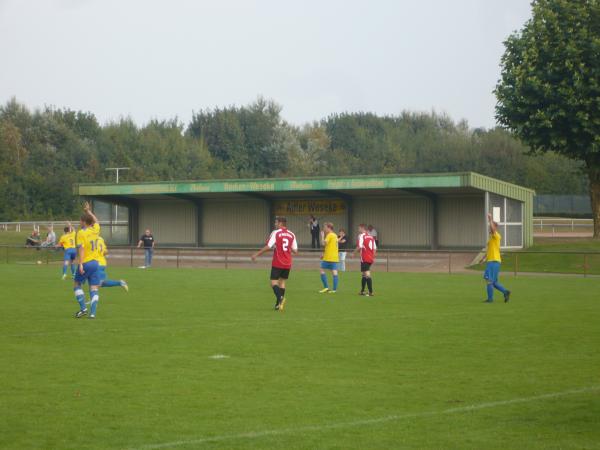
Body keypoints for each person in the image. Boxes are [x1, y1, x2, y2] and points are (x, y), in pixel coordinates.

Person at [251, 216, 298, 311]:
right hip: (288, 262)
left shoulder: (276, 233)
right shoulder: (292, 234)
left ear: (281, 223)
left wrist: (256, 254)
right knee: (282, 282)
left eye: (276, 222)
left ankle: (281, 298)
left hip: (278, 262)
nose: (275, 224)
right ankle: (278, 305)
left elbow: (268, 246)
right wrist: (289, 247)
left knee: (273, 283)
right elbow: (296, 251)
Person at [73, 203, 102, 319]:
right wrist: (89, 211)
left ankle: (83, 308)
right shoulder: (95, 230)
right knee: (94, 288)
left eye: (80, 221)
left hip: (86, 263)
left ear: (84, 222)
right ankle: (93, 313)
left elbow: (81, 248)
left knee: (77, 285)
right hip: (95, 263)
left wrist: (80, 264)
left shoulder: (81, 233)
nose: (80, 222)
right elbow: (97, 221)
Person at [483, 213, 511, 303]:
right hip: (493, 261)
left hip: (493, 261)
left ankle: (490, 299)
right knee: (493, 282)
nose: (489, 228)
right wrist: (483, 258)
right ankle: (505, 292)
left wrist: (490, 219)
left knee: (488, 280)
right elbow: (489, 250)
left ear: (494, 227)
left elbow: (493, 229)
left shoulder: (496, 236)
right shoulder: (491, 239)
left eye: (491, 226)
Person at [354, 223, 377, 296]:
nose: (358, 229)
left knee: (367, 274)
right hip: (370, 257)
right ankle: (362, 291)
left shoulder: (361, 236)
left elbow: (359, 247)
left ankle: (371, 292)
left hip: (364, 257)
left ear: (362, 228)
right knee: (363, 274)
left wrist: (353, 253)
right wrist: (372, 256)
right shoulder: (371, 237)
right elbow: (375, 248)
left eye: (359, 228)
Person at [318, 222, 339, 294]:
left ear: (329, 228)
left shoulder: (329, 235)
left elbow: (324, 243)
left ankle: (326, 287)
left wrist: (322, 236)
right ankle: (334, 289)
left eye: (325, 227)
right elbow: (330, 246)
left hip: (329, 257)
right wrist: (324, 254)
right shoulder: (335, 235)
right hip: (334, 257)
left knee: (322, 270)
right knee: (334, 272)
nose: (324, 229)